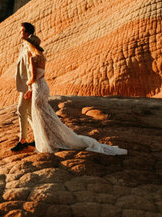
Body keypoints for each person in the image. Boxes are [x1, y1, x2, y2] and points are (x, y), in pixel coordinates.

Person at [16, 25, 127, 156]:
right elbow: (42, 75)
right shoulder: (41, 57)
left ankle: (46, 142)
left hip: (37, 87)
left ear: (31, 44)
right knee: (46, 114)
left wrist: (28, 85)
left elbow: (33, 77)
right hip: (43, 86)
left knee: (41, 115)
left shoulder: (33, 58)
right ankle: (50, 138)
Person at [11, 22, 37, 151]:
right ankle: (36, 138)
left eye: (21, 31)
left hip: (28, 85)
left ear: (27, 33)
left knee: (22, 110)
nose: (19, 33)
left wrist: (30, 88)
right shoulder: (24, 45)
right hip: (25, 85)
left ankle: (23, 140)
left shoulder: (29, 47)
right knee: (28, 112)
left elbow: (31, 68)